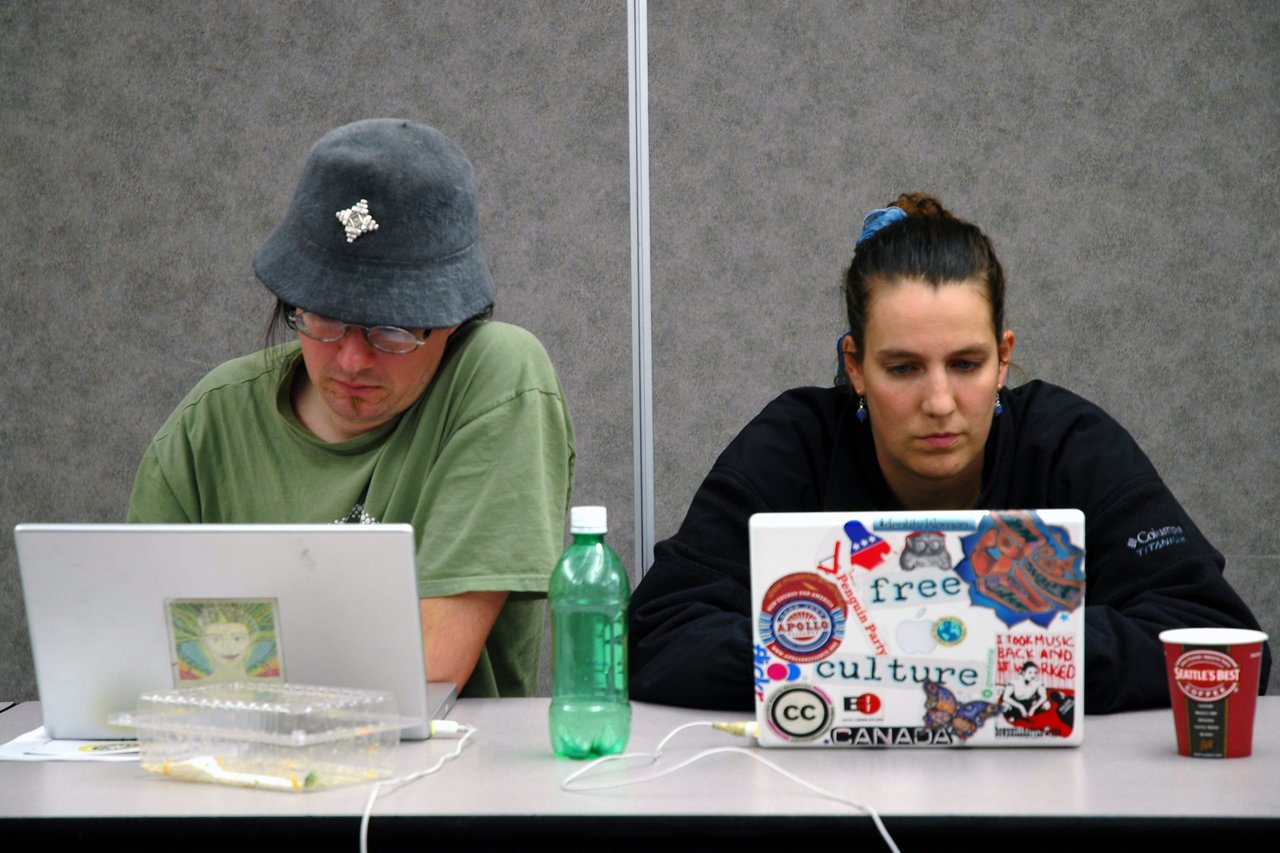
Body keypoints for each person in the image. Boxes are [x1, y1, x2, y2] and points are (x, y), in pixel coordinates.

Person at [628, 192, 1270, 714]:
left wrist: (966, 656)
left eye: (966, 363)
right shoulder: (795, 444)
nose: (939, 401)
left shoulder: (1068, 443)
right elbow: (656, 633)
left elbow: (1218, 641)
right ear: (855, 366)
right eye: (902, 368)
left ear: (1004, 358)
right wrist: (936, 660)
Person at [128, 118, 576, 698]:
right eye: (324, 318)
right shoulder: (211, 419)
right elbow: (136, 658)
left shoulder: (497, 375)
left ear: (454, 322)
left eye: (391, 330)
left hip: (435, 779)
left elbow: (426, 673)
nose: (351, 359)